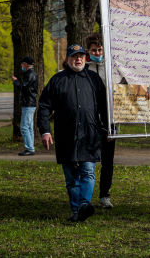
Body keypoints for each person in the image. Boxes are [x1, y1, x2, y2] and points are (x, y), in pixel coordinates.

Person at [38, 44, 108, 222]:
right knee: (71, 178)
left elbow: (105, 106)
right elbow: (44, 106)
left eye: (81, 56)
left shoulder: (94, 80)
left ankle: (84, 205)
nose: (78, 59)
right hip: (66, 135)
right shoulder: (57, 80)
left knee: (88, 172)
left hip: (90, 134)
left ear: (86, 58)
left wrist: (108, 128)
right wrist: (45, 131)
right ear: (67, 59)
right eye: (74, 56)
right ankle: (77, 211)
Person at [85, 33, 114, 209]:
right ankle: (86, 196)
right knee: (88, 159)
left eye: (100, 49)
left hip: (109, 118)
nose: (98, 52)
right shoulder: (86, 69)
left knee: (107, 160)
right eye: (94, 50)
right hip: (91, 120)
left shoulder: (109, 68)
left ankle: (104, 195)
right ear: (89, 51)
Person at [12, 56, 38, 156]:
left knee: (24, 127)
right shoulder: (30, 73)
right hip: (30, 103)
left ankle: (29, 148)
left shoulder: (30, 74)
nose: (21, 66)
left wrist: (16, 81)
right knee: (29, 127)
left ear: (26, 64)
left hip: (28, 103)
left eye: (22, 64)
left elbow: (23, 87)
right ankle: (31, 147)